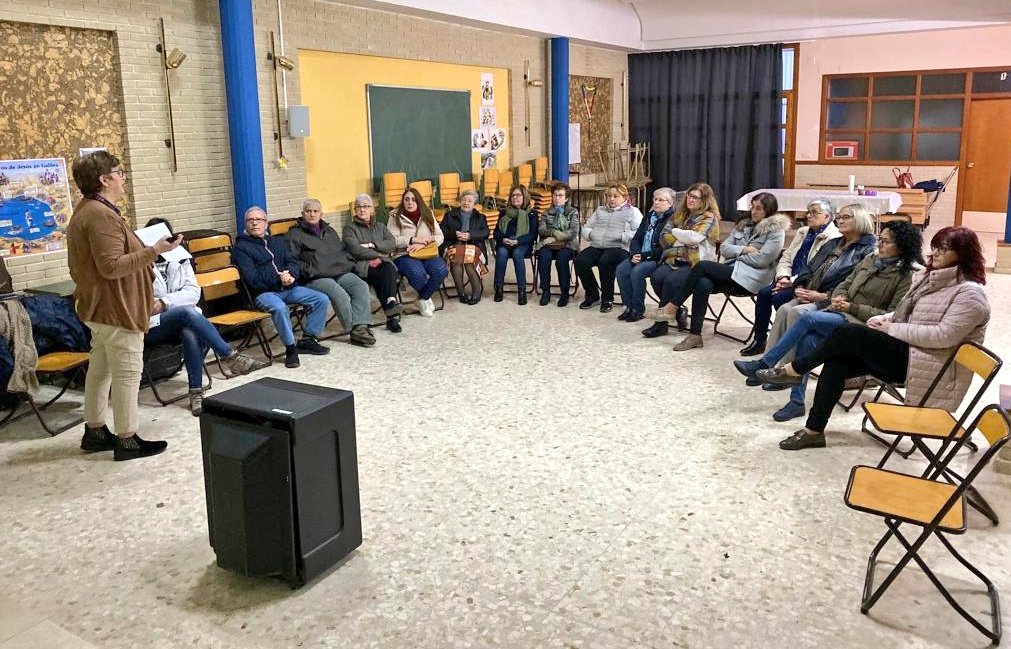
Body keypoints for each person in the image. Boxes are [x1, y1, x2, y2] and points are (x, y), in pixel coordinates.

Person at [759, 226, 990, 451]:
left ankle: (795, 370)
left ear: (963, 254)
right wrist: (885, 319)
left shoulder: (970, 294)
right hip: (909, 350)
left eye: (944, 249)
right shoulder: (928, 278)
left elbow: (942, 336)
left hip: (928, 365)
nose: (936, 253)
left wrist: (892, 328)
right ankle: (813, 431)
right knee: (837, 361)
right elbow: (904, 311)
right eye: (935, 247)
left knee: (848, 332)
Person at [735, 220, 922, 422]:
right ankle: (796, 403)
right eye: (880, 239)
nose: (880, 245)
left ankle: (766, 362)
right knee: (807, 340)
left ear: (901, 246)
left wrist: (851, 307)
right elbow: (846, 283)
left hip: (863, 327)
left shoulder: (908, 275)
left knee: (807, 318)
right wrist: (840, 297)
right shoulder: (871, 259)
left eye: (886, 242)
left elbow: (891, 314)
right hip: (841, 312)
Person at [67, 151, 182, 461]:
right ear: (105, 179)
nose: (123, 178)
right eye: (119, 173)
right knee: (128, 374)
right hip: (116, 309)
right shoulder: (100, 215)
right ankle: (127, 439)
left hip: (100, 307)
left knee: (101, 370)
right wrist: (154, 250)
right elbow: (111, 267)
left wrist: (151, 251)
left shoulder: (88, 210)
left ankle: (95, 431)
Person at [144, 218, 268, 416]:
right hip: (153, 324)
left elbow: (194, 293)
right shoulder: (140, 263)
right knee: (186, 313)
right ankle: (230, 355)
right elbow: (146, 304)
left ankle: (196, 392)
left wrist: (165, 302)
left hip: (182, 319)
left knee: (190, 331)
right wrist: (171, 303)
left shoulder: (181, 258)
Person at [755, 204, 878, 375]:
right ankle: (765, 366)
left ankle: (785, 372)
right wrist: (800, 286)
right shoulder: (835, 242)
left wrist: (823, 296)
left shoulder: (868, 249)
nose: (840, 221)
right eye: (839, 217)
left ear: (860, 219)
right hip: (811, 292)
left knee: (796, 312)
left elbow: (852, 283)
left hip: (832, 299)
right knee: (784, 309)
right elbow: (809, 267)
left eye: (846, 217)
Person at [666, 196, 791, 351]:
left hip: (751, 279)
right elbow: (724, 248)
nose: (753, 211)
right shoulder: (743, 225)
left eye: (758, 208)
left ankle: (673, 306)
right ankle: (695, 336)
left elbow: (762, 260)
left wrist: (737, 254)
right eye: (752, 207)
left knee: (702, 266)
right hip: (730, 273)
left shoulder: (776, 231)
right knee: (703, 283)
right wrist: (745, 249)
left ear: (769, 210)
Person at [232, 206, 331, 368]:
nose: (255, 223)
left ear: (266, 223)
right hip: (263, 293)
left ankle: (308, 339)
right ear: (245, 224)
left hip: (288, 287)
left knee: (321, 299)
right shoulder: (240, 248)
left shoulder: (277, 242)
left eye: (259, 220)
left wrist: (291, 275)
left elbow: (293, 262)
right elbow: (252, 279)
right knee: (279, 308)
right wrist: (279, 278)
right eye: (250, 220)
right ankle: (290, 349)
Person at [742, 199, 840, 356]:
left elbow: (816, 269)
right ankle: (759, 340)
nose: (809, 216)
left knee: (778, 298)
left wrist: (793, 281)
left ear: (827, 216)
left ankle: (786, 342)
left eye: (814, 213)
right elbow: (786, 257)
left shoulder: (834, 238)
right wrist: (783, 276)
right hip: (788, 279)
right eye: (808, 212)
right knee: (764, 293)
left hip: (807, 283)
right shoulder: (803, 232)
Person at [287, 198, 376, 347]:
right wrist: (309, 270)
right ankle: (354, 330)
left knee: (360, 286)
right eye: (308, 211)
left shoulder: (329, 231)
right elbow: (292, 259)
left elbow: (341, 251)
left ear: (321, 214)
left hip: (338, 271)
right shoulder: (295, 233)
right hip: (316, 276)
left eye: (316, 211)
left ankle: (361, 325)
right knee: (338, 293)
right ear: (302, 213)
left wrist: (348, 263)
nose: (312, 214)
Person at [641, 183, 721, 337]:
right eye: (689, 196)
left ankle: (661, 324)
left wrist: (676, 232)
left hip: (694, 263)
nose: (690, 200)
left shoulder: (709, 217)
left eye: (695, 197)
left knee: (671, 282)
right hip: (673, 258)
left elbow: (694, 238)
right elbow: (663, 238)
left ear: (704, 200)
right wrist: (683, 237)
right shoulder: (679, 213)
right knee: (657, 278)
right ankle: (677, 310)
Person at [575, 182, 644, 312]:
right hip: (597, 245)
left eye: (615, 196)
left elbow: (639, 232)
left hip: (619, 247)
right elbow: (586, 227)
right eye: (608, 196)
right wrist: (592, 235)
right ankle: (592, 295)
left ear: (624, 197)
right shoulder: (600, 210)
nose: (611, 199)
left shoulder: (633, 211)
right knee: (580, 260)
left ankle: (607, 298)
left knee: (605, 261)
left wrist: (621, 236)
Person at [342, 194, 405, 333]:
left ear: (372, 209)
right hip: (362, 265)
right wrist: (379, 254)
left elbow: (391, 243)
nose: (362, 209)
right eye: (359, 207)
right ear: (355, 210)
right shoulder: (349, 229)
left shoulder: (380, 226)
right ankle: (391, 316)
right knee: (384, 278)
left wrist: (372, 245)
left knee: (389, 270)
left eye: (366, 206)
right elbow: (355, 249)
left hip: (383, 263)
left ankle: (390, 302)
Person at [615, 187, 677, 322]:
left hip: (657, 258)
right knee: (621, 269)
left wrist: (644, 256)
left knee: (637, 272)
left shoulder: (673, 219)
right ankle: (629, 306)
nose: (656, 202)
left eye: (661, 200)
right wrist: (635, 253)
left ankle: (638, 309)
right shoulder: (650, 216)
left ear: (670, 203)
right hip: (640, 255)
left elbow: (666, 248)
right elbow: (636, 238)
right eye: (655, 199)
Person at [386, 187, 448, 317]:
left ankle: (423, 298)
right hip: (404, 254)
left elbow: (439, 236)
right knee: (417, 273)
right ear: (403, 201)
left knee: (441, 270)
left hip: (427, 252)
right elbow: (392, 240)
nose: (410, 202)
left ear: (418, 201)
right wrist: (412, 240)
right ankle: (426, 299)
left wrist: (423, 243)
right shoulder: (394, 216)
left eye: (414, 200)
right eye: (407, 199)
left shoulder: (427, 213)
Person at [440, 189, 489, 304]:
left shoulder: (480, 217)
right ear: (460, 201)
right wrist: (454, 234)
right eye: (464, 200)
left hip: (473, 245)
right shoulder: (449, 215)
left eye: (469, 201)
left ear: (474, 204)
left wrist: (470, 235)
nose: (466, 203)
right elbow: (441, 230)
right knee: (456, 258)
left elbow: (485, 233)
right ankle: (461, 293)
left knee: (469, 259)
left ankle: (476, 292)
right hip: (454, 244)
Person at [535, 182, 580, 307]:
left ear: (566, 199)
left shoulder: (572, 212)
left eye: (560, 195)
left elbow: (574, 231)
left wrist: (556, 236)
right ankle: (545, 291)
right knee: (544, 257)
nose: (557, 198)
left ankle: (564, 293)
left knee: (561, 259)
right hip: (548, 245)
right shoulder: (546, 212)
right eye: (555, 195)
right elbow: (541, 230)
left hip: (567, 244)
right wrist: (554, 232)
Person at [493, 185, 538, 304]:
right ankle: (499, 288)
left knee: (517, 253)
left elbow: (533, 235)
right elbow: (496, 232)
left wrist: (518, 241)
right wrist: (503, 239)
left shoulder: (532, 214)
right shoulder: (504, 213)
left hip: (523, 243)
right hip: (505, 242)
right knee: (501, 252)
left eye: (518, 195)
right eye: (512, 195)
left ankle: (522, 291)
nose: (515, 198)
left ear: (524, 196)